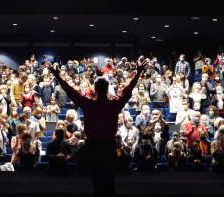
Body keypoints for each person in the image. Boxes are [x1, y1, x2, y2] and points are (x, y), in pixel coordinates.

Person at [47, 59, 148, 196]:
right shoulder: (114, 104)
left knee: (95, 182)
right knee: (109, 181)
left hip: (93, 146)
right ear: (108, 89)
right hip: (108, 146)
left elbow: (70, 91)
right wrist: (138, 73)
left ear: (95, 89)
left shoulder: (89, 104)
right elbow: (127, 89)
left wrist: (58, 75)